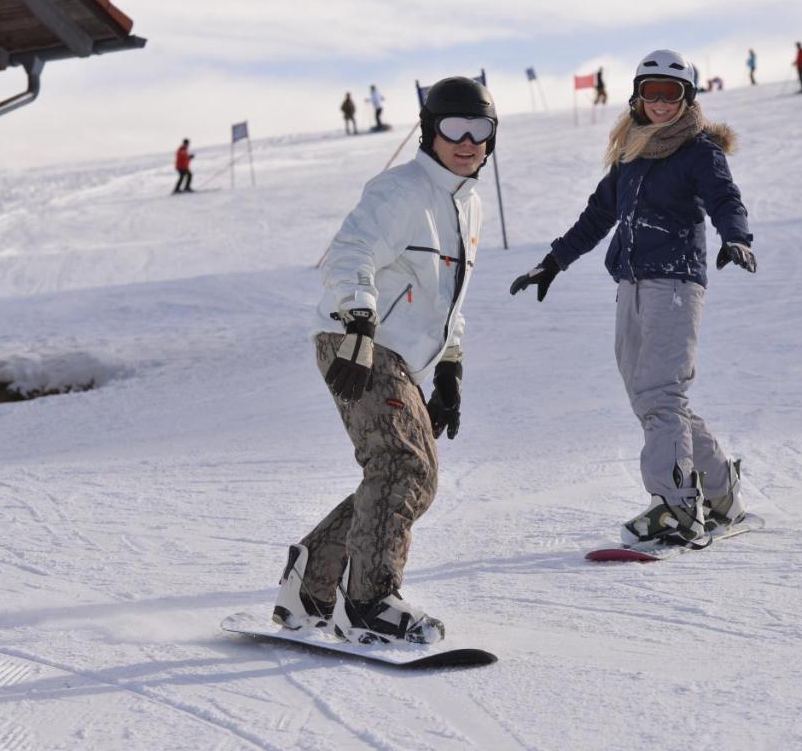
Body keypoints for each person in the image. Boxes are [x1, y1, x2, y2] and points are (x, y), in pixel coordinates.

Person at [272, 76, 497, 645]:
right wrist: (360, 318)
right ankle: (368, 602)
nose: (468, 142)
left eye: (481, 130)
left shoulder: (469, 206)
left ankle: (312, 585)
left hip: (400, 352)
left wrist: (450, 365)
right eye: (454, 128)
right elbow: (350, 252)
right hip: (357, 342)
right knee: (402, 465)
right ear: (430, 131)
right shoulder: (401, 191)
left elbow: (447, 299)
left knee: (412, 479)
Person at [509, 49, 755, 551]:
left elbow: (725, 199)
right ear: (637, 97)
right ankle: (722, 492)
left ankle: (678, 507)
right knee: (652, 397)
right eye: (652, 93)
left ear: (688, 99)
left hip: (675, 284)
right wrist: (553, 262)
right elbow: (597, 216)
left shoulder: (698, 151)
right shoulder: (631, 156)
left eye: (672, 94)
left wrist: (738, 236)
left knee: (661, 395)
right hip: (632, 284)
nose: (662, 103)